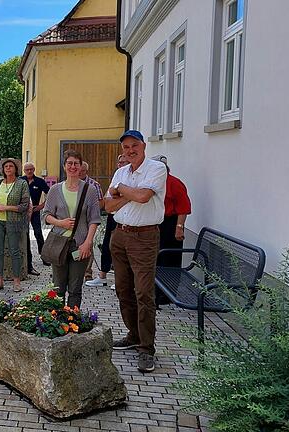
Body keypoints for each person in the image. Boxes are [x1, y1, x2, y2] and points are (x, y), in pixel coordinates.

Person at [105, 130, 167, 373]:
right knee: (123, 289)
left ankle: (146, 348)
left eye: (134, 145)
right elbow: (109, 205)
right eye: (126, 147)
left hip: (144, 237)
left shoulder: (156, 169)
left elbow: (143, 197)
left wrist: (121, 189)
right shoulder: (121, 171)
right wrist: (127, 194)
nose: (130, 150)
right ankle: (133, 334)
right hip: (119, 235)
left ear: (143, 145)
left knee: (143, 292)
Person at [42, 150, 100, 308]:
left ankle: (72, 320)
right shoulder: (55, 190)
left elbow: (94, 219)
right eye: (69, 163)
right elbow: (46, 215)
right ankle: (57, 320)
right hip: (59, 243)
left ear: (81, 166)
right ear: (64, 166)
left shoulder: (90, 190)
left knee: (75, 287)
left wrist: (88, 243)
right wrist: (61, 223)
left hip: (79, 245)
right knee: (58, 286)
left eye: (76, 163)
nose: (73, 166)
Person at [153, 155, 192, 305]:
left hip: (170, 224)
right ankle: (155, 291)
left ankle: (167, 295)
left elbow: (183, 207)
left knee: (169, 259)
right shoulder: (151, 183)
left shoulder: (174, 183)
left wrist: (179, 227)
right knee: (155, 259)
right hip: (155, 223)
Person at [86, 154, 129, 289]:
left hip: (125, 218)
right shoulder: (117, 175)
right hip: (112, 215)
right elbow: (107, 200)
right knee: (107, 246)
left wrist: (118, 198)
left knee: (121, 250)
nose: (121, 164)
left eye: (124, 162)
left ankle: (120, 280)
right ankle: (102, 276)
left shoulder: (131, 178)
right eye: (119, 162)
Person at [0, 158, 30, 292]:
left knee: (14, 251)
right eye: (5, 166)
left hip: (14, 221)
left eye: (10, 166)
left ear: (16, 169)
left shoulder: (21, 183)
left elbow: (24, 206)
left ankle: (16, 281)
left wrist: (6, 208)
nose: (8, 168)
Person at [22, 162, 49, 275]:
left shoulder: (39, 181)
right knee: (25, 235)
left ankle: (43, 256)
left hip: (35, 211)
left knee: (38, 233)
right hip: (22, 212)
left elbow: (50, 194)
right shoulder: (20, 180)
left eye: (31, 169)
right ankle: (27, 260)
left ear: (34, 169)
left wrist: (41, 206)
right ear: (24, 170)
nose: (29, 171)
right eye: (27, 169)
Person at [79, 161, 104, 282]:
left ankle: (87, 272)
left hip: (88, 220)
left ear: (86, 171)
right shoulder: (71, 184)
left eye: (82, 171)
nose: (79, 172)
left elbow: (100, 203)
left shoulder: (94, 185)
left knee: (88, 244)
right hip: (73, 220)